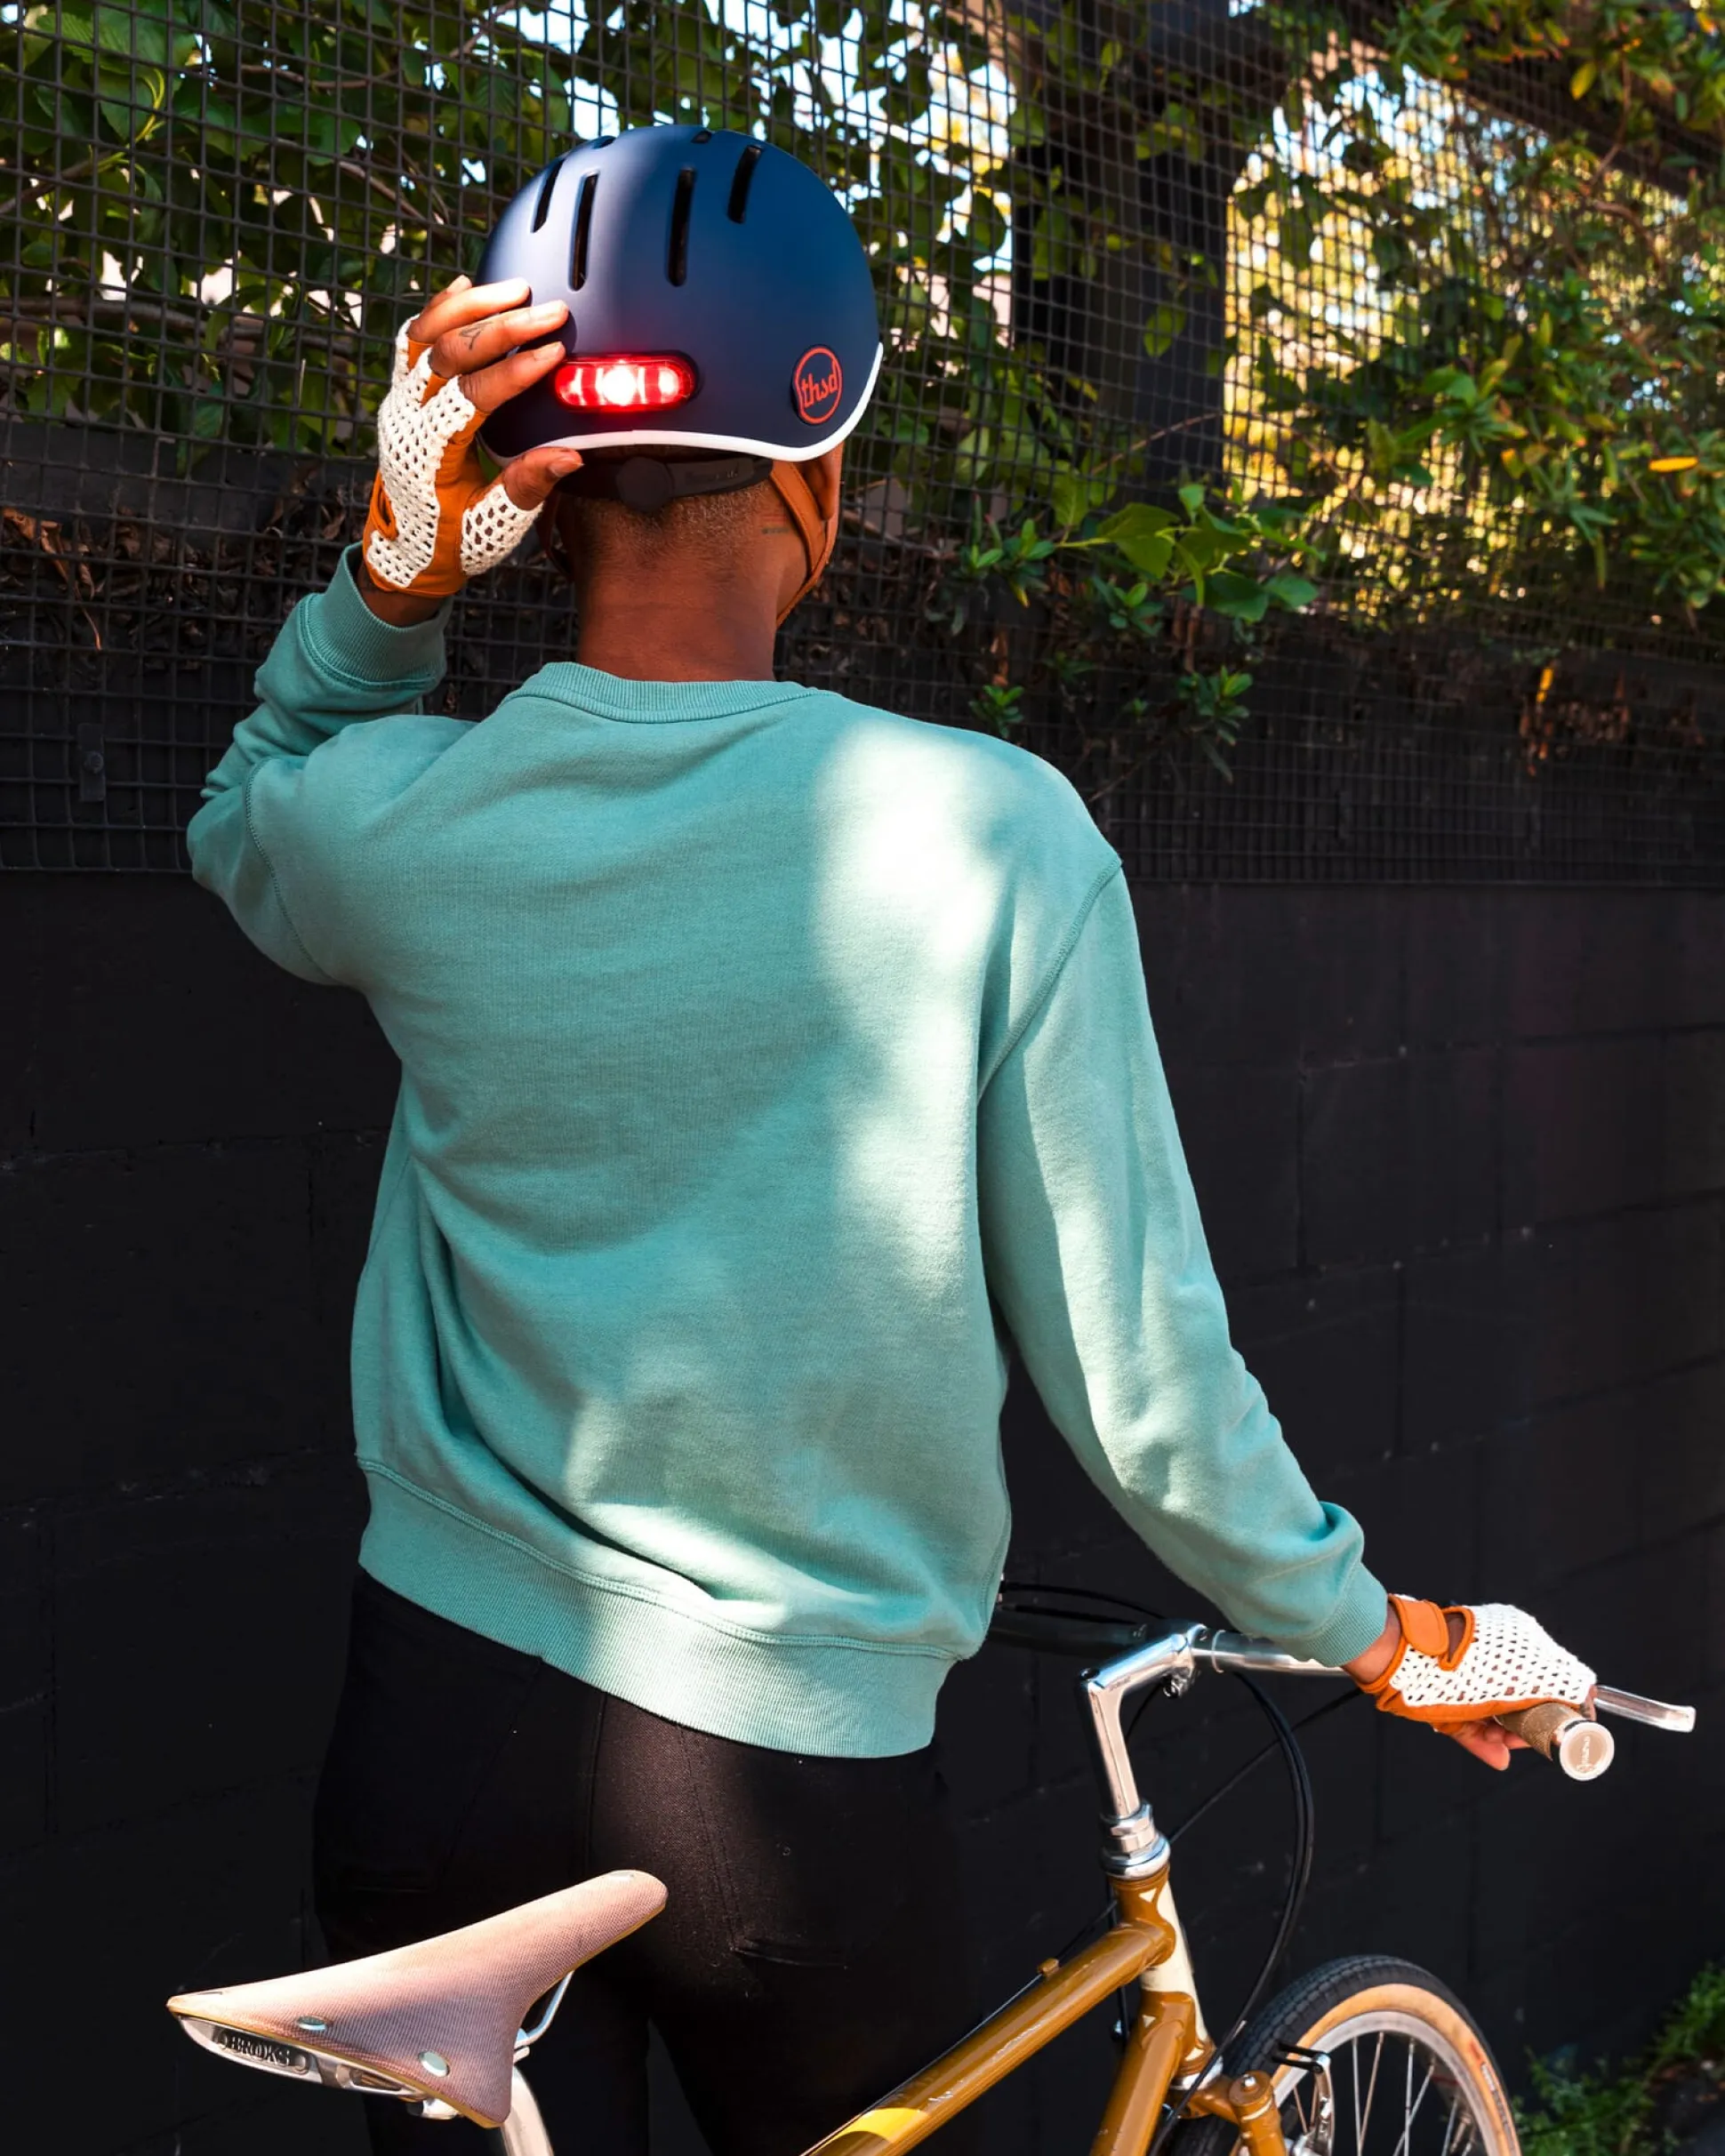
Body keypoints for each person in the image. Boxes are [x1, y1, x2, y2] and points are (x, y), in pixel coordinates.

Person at [186, 125, 1596, 2156]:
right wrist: (1372, 1634)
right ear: (820, 468)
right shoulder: (990, 837)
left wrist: (393, 580)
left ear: (532, 476)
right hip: (780, 1797)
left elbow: (254, 798)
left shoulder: (408, 818)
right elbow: (1144, 1396)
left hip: (431, 1720)